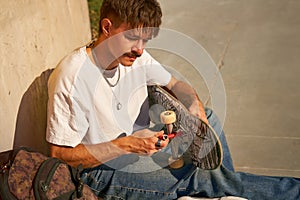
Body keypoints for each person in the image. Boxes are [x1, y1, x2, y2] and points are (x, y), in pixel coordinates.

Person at [46, 0, 299, 199]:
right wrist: (127, 145)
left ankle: (226, 192)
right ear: (107, 27)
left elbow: (177, 85)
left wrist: (194, 106)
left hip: (141, 145)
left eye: (145, 40)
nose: (140, 49)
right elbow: (60, 155)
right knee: (202, 179)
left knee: (208, 117)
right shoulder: (74, 76)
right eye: (133, 38)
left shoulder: (136, 58)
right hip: (99, 174)